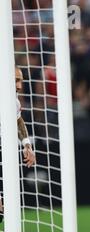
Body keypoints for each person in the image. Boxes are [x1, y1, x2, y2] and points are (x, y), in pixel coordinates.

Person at [0, 67, 36, 222]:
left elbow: (18, 120)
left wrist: (27, 144)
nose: (19, 86)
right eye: (15, 80)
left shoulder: (13, 102)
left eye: (21, 80)